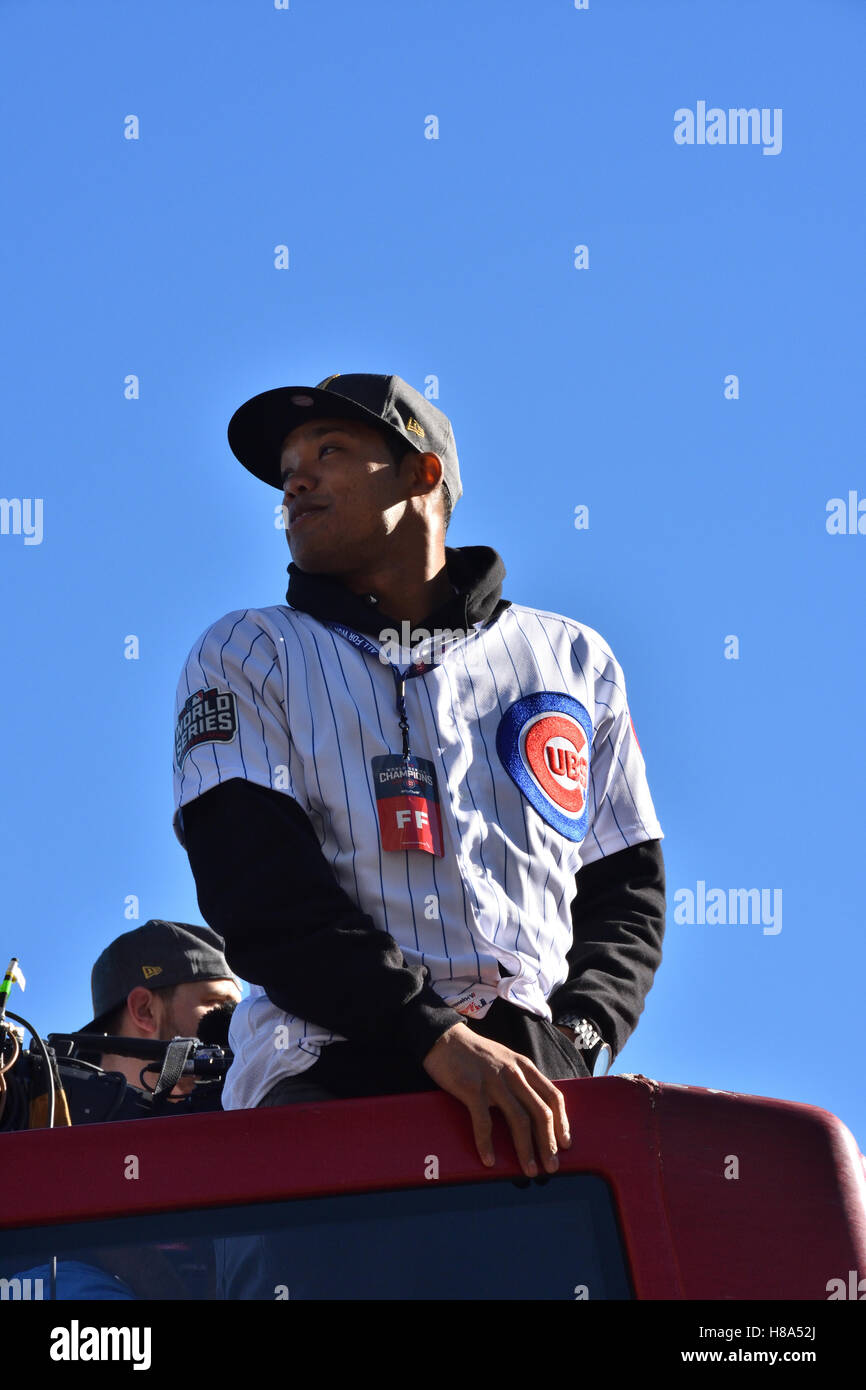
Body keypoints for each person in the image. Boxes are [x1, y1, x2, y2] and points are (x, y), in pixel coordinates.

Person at [172, 373, 666, 1180]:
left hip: (535, 1096)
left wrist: (572, 1045)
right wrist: (430, 1034)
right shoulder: (247, 650)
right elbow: (257, 893)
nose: (294, 480)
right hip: (325, 1080)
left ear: (421, 473)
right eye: (287, 465)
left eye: (329, 451)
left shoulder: (574, 659)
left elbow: (627, 893)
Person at [78, 919, 241, 1098]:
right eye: (217, 1002)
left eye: (239, 1008)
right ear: (145, 1010)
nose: (240, 1021)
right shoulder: (53, 1114)